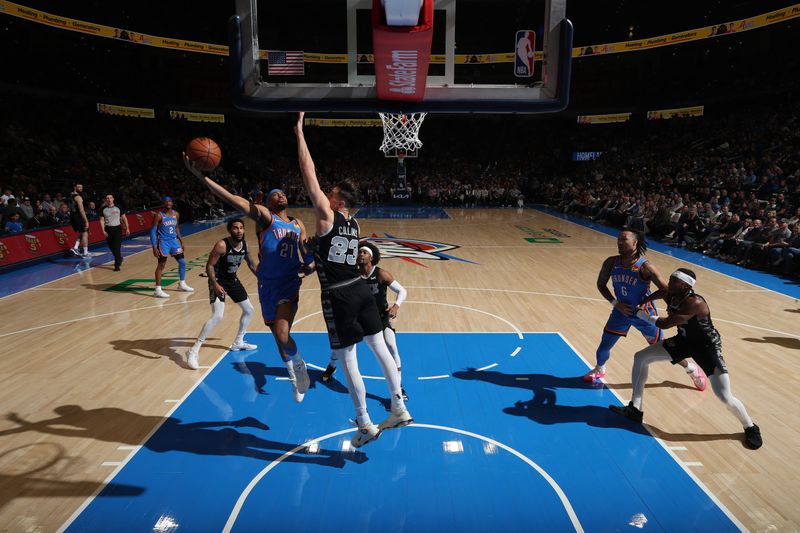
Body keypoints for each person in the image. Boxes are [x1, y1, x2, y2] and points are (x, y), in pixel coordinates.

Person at [294, 112, 412, 448]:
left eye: (330, 194)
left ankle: (364, 422)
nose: (324, 197)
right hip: (361, 290)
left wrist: (299, 133)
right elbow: (328, 250)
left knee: (348, 359)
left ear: (339, 202)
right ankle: (398, 406)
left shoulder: (329, 216)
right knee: (379, 348)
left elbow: (308, 175)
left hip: (340, 296)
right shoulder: (355, 226)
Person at [183, 157, 312, 403]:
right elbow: (234, 200)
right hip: (266, 286)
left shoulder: (298, 224)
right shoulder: (265, 218)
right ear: (267, 201)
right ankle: (294, 379)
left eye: (283, 193)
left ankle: (299, 365)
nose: (281, 195)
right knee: (277, 337)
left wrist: (310, 265)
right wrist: (203, 177)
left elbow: (307, 256)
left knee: (284, 335)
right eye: (275, 194)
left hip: (288, 283)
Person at [609, 268, 762, 450]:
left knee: (724, 396)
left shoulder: (695, 303)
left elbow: (665, 323)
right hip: (684, 341)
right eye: (671, 279)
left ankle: (750, 426)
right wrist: (644, 301)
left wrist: (639, 313)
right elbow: (660, 292)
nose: (670, 283)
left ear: (686, 285)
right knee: (641, 357)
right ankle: (635, 408)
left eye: (675, 281)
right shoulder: (672, 293)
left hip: (707, 348)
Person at [584, 228, 708, 391]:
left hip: (644, 315)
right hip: (620, 312)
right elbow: (601, 284)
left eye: (624, 239)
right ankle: (600, 369)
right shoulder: (611, 262)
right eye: (618, 239)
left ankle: (691, 369)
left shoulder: (645, 267)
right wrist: (616, 303)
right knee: (603, 347)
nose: (619, 242)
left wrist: (647, 301)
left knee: (664, 349)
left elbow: (666, 290)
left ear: (635, 243)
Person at [322, 241, 409, 401]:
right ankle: (332, 366)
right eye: (359, 252)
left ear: (372, 257)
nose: (360, 254)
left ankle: (399, 387)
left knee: (392, 346)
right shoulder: (352, 275)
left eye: (364, 252)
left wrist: (396, 306)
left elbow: (402, 291)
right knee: (341, 346)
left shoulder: (381, 274)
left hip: (379, 318)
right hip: (357, 317)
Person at [186, 219, 259, 370]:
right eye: (235, 228)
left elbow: (252, 264)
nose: (238, 230)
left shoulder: (244, 245)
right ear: (230, 230)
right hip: (218, 280)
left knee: (249, 310)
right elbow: (210, 265)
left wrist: (263, 279)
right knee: (218, 316)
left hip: (232, 280)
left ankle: (238, 341)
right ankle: (193, 350)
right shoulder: (222, 245)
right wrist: (215, 284)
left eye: (241, 228)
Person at [150, 196, 194, 297]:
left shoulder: (176, 214)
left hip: (174, 242)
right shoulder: (158, 215)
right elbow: (152, 231)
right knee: (161, 265)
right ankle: (157, 289)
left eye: (170, 201)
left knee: (182, 262)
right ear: (163, 204)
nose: (168, 203)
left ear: (172, 203)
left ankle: (182, 284)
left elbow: (177, 227)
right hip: (163, 243)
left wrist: (181, 240)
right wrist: (154, 247)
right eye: (166, 202)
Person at [99, 194, 129, 271]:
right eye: (107, 198)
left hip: (117, 229)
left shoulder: (118, 207)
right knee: (111, 247)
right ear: (105, 200)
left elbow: (124, 218)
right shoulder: (103, 209)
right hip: (108, 229)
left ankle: (117, 265)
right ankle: (119, 258)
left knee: (116, 247)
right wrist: (103, 230)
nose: (109, 199)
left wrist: (127, 228)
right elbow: (101, 220)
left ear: (113, 199)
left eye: (110, 198)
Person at [69, 183, 90, 257]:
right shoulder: (78, 197)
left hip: (72, 216)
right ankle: (85, 252)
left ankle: (75, 247)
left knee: (82, 232)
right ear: (75, 187)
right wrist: (86, 221)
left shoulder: (71, 195)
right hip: (78, 217)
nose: (81, 188)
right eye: (79, 187)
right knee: (85, 233)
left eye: (82, 187)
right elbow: (81, 210)